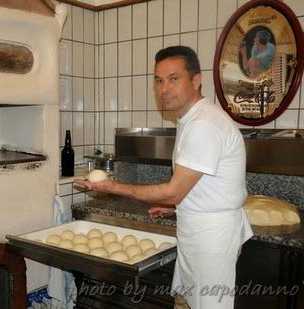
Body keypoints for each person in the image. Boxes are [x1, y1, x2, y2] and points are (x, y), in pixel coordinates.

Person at [74, 46, 253, 309]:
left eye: (173, 79)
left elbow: (174, 190)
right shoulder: (191, 119)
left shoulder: (204, 125)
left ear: (196, 80)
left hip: (211, 239)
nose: (164, 89)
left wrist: (111, 186)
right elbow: (197, 185)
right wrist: (178, 206)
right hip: (199, 229)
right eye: (158, 81)